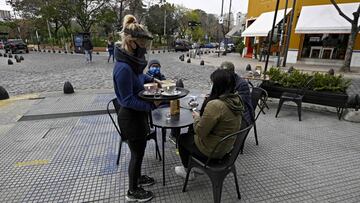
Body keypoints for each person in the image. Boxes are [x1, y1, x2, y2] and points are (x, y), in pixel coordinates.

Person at [113, 14, 160, 202]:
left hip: (138, 115)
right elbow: (127, 100)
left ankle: (139, 178)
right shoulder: (123, 67)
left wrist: (155, 80)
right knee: (137, 153)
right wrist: (151, 105)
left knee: (139, 151)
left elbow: (140, 78)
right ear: (132, 43)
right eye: (143, 43)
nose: (145, 48)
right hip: (130, 116)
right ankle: (132, 191)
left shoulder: (133, 63)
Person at [175, 69, 244, 180]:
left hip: (214, 150)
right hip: (227, 147)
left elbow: (200, 132)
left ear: (218, 85)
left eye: (212, 83)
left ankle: (188, 171)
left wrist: (197, 118)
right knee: (191, 132)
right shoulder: (236, 99)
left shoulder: (216, 105)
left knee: (182, 138)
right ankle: (196, 165)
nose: (211, 85)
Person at [220, 61, 254, 128]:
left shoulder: (241, 84)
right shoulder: (224, 80)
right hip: (231, 114)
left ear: (232, 73)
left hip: (242, 117)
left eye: (225, 73)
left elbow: (239, 104)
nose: (222, 75)